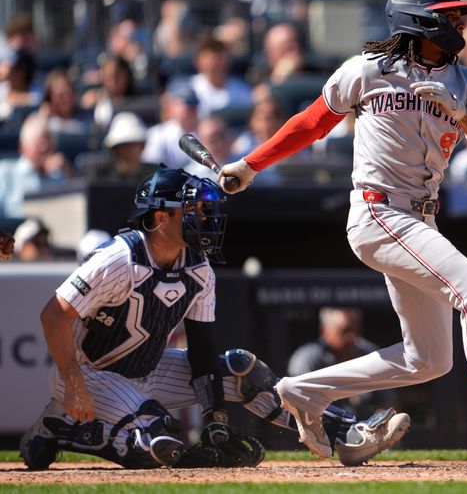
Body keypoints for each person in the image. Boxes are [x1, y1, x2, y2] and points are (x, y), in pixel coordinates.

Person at [218, 0, 467, 468]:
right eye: (449, 14)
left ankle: (302, 391)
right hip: (379, 210)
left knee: (429, 360)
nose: (459, 22)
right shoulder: (367, 69)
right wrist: (249, 166)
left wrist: (463, 117)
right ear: (419, 20)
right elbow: (312, 121)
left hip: (420, 218)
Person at [19, 167, 411, 471]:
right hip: (90, 371)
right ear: (159, 217)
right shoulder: (120, 258)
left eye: (203, 209)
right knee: (161, 442)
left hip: (146, 370)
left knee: (243, 372)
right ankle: (64, 429)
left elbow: (202, 350)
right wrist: (72, 379)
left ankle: (347, 432)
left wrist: (216, 415)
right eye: (191, 210)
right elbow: (54, 313)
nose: (203, 217)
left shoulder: (199, 267)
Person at [288, 307, 399, 418]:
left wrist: (381, 419)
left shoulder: (370, 354)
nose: (352, 337)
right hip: (321, 428)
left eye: (356, 330)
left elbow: (389, 402)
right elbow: (298, 405)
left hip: (365, 429)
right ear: (324, 331)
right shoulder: (308, 358)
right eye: (345, 331)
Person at [0, 115, 70, 218]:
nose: (45, 147)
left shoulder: (59, 176)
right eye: (39, 142)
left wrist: (69, 174)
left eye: (49, 141)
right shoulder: (5, 173)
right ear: (22, 147)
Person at [81, 112, 160, 180]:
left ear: (142, 146)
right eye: (124, 145)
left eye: (133, 144)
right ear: (115, 149)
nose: (129, 150)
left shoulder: (156, 176)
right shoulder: (102, 175)